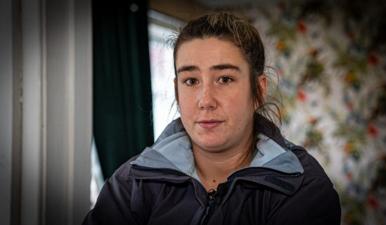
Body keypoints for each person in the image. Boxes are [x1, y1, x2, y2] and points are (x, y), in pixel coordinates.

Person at [83, 12, 341, 225]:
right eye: (191, 81)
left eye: (225, 79)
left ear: (259, 90)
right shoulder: (132, 181)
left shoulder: (302, 185)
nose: (205, 100)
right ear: (176, 90)